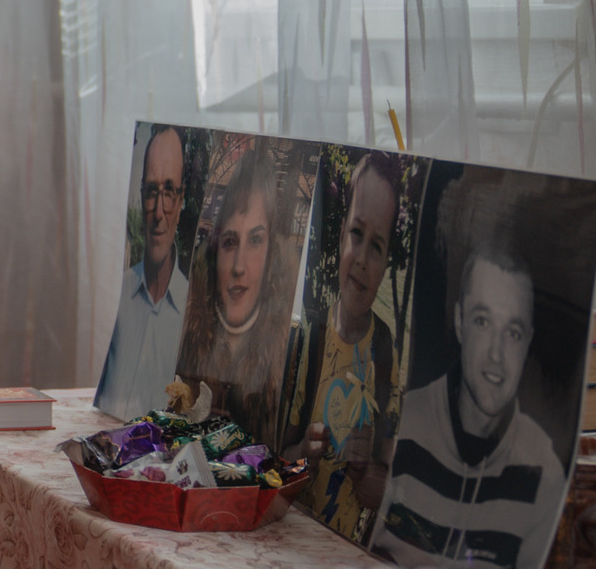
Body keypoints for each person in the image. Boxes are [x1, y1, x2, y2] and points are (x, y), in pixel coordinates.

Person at [371, 194, 568, 569]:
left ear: (528, 342)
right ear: (460, 321)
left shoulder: (544, 471)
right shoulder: (401, 425)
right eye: (482, 321)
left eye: (512, 332)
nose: (496, 354)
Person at [292, 153, 404, 541]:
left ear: (387, 263)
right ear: (341, 234)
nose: (361, 260)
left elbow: (392, 492)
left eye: (377, 246)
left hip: (350, 563)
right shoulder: (310, 338)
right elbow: (275, 452)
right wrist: (303, 453)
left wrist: (369, 474)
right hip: (294, 542)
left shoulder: (387, 357)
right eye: (357, 233)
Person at [173, 149, 298, 433]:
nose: (239, 267)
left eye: (255, 240)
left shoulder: (288, 353)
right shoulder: (185, 333)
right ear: (216, 251)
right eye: (230, 242)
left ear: (271, 254)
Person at [95, 126, 192, 418]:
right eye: (151, 192)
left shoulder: (191, 314)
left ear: (182, 198)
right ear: (140, 195)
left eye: (169, 192)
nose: (159, 211)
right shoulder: (119, 291)